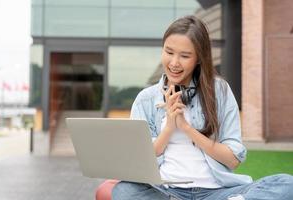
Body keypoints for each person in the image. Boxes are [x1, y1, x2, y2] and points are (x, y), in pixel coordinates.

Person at [111, 15, 293, 200]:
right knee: (124, 190)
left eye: (185, 56)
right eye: (169, 52)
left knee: (287, 184)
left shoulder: (219, 91)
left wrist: (187, 128)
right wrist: (169, 128)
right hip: (166, 192)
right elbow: (139, 161)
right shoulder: (146, 99)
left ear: (199, 58)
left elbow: (233, 159)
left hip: (217, 192)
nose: (174, 62)